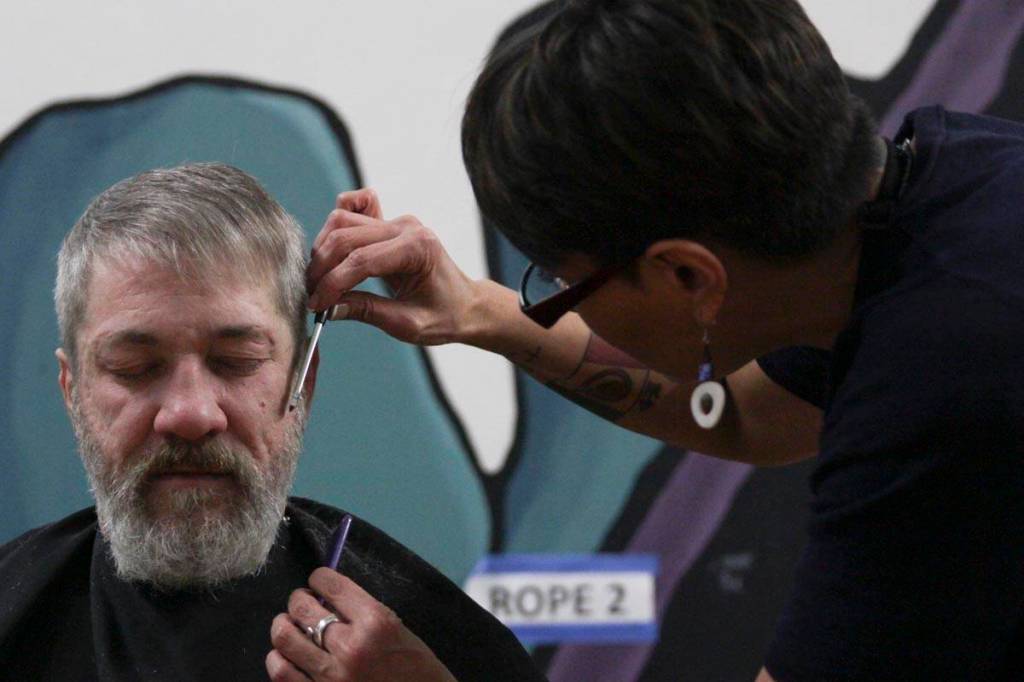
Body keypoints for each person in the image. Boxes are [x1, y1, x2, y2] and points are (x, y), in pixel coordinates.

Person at [301, 0, 1024, 679]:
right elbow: (748, 414)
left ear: (688, 275)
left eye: (561, 280)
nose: (556, 297)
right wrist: (476, 311)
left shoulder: (942, 393)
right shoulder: (949, 188)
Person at [0, 163, 543, 681]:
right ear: (72, 391)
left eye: (237, 361)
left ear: (304, 382)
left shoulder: (424, 639)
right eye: (134, 367)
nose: (191, 414)